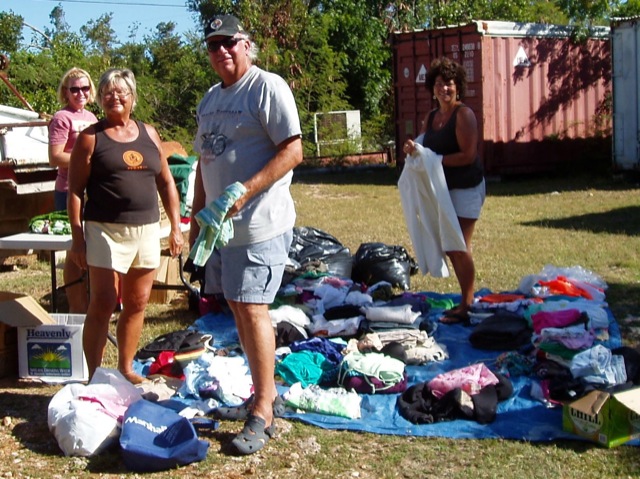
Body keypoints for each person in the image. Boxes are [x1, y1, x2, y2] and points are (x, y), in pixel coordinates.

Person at [190, 14, 303, 455]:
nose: (221, 51)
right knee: (237, 305)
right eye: (213, 45)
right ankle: (261, 392)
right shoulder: (210, 99)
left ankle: (264, 411)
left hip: (261, 224)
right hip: (222, 231)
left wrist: (247, 189)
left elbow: (293, 149)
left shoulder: (266, 87)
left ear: (246, 45)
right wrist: (198, 213)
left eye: (229, 42)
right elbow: (203, 159)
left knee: (253, 308)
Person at [67, 68, 184, 383]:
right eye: (108, 92)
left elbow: (166, 182)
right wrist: (77, 238)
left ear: (133, 97)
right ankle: (93, 376)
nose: (114, 97)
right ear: (100, 98)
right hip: (104, 230)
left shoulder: (150, 134)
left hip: (145, 229)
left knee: (137, 302)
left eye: (122, 92)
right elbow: (75, 190)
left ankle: (126, 368)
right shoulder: (90, 138)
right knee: (103, 301)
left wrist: (175, 226)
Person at [402, 57, 485, 324]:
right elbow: (424, 146)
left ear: (457, 86)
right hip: (444, 190)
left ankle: (467, 303)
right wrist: (414, 150)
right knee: (451, 245)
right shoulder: (432, 116)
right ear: (433, 88)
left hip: (467, 187)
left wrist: (433, 160)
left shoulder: (464, 115)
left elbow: (468, 155)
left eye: (448, 84)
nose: (444, 89)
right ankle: (465, 299)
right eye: (439, 84)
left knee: (459, 245)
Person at [48, 67, 98, 313]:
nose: (80, 93)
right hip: (68, 190)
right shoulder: (61, 118)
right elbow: (55, 157)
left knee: (89, 251)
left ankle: (89, 305)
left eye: (85, 88)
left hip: (92, 192)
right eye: (74, 89)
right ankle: (77, 309)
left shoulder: (91, 118)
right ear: (65, 92)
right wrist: (85, 159)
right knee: (74, 252)